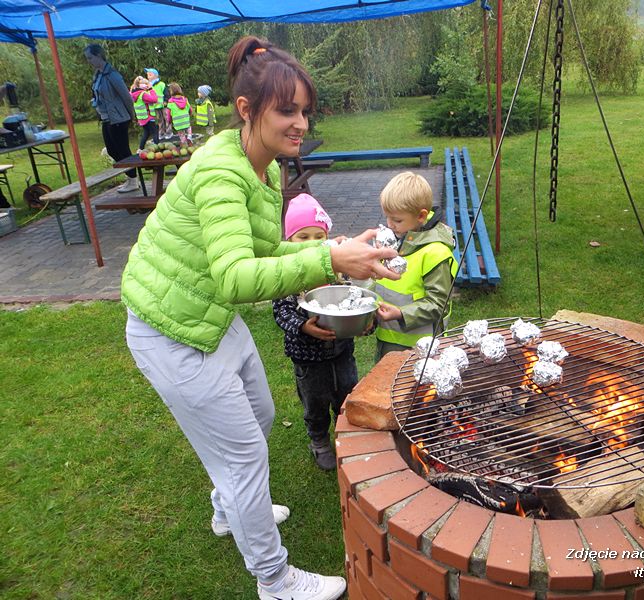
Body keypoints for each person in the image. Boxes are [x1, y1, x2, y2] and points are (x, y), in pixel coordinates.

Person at [121, 36, 398, 600]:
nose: (301, 123)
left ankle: (230, 507)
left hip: (207, 317)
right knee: (244, 454)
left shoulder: (262, 167)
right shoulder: (221, 174)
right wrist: (328, 260)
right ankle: (275, 580)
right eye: (287, 110)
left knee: (261, 415)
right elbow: (235, 278)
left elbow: (264, 252)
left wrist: (335, 248)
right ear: (247, 110)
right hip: (168, 330)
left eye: (304, 111)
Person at [272, 194, 358, 472]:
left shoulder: (335, 270)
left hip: (342, 351)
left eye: (318, 236)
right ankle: (319, 441)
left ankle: (347, 437)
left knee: (347, 396)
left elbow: (352, 299)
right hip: (308, 358)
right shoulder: (286, 273)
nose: (312, 242)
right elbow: (281, 312)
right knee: (315, 403)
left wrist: (361, 322)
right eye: (303, 237)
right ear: (289, 241)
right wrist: (302, 325)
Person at [374, 172, 458, 359]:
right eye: (387, 217)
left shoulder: (435, 253)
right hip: (387, 339)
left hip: (420, 348)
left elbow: (439, 304)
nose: (390, 225)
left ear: (421, 216)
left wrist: (401, 314)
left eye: (397, 220)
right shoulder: (397, 239)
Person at [84, 44, 138, 193]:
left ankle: (133, 180)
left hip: (118, 118)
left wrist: (131, 115)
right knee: (112, 150)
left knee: (122, 150)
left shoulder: (112, 75)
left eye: (90, 58)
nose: (89, 61)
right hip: (106, 118)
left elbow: (126, 97)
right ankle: (130, 177)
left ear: (99, 56)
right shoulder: (98, 75)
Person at [129, 76, 158, 150]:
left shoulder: (133, 93)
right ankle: (158, 148)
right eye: (146, 84)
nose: (147, 85)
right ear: (140, 85)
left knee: (146, 133)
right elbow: (154, 99)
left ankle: (140, 149)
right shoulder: (142, 94)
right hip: (148, 116)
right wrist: (151, 89)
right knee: (154, 132)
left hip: (142, 117)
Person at [144, 67, 171, 141]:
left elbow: (166, 93)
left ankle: (169, 132)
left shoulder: (161, 84)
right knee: (159, 120)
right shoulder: (148, 86)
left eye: (150, 74)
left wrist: (166, 101)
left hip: (163, 105)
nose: (148, 76)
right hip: (154, 106)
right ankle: (161, 133)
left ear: (156, 76)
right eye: (147, 75)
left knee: (167, 119)